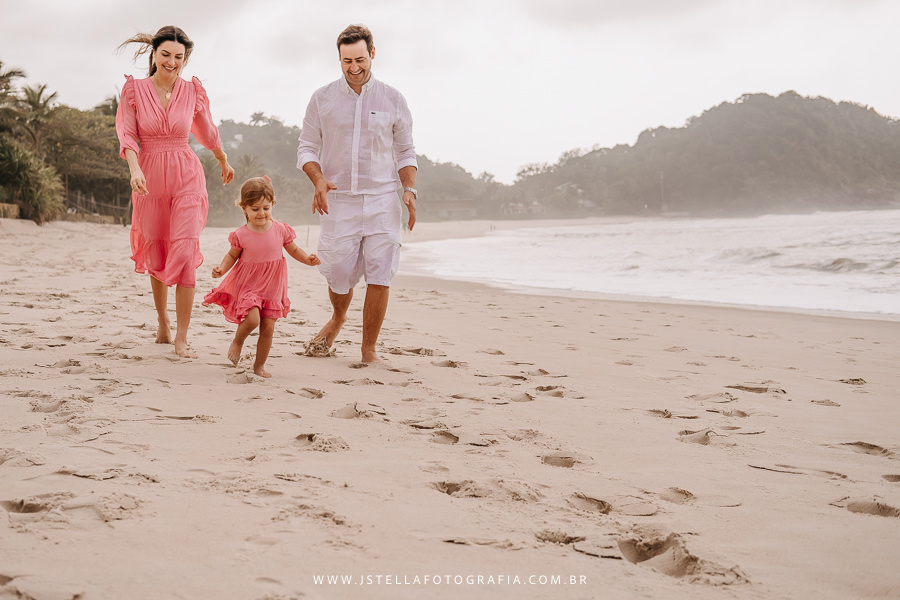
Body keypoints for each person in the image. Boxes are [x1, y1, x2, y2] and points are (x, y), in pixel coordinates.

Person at [297, 24, 418, 363]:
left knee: (380, 273)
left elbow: (405, 151)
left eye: (360, 59)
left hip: (382, 199)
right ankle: (338, 317)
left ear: (372, 54)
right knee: (338, 272)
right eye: (347, 60)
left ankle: (369, 350)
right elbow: (307, 147)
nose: (354, 68)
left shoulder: (393, 99)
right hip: (338, 200)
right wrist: (318, 180)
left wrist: (409, 189)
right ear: (338, 58)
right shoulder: (322, 98)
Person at [116, 25, 235, 359]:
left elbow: (206, 129)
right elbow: (127, 134)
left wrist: (222, 158)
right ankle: (163, 322)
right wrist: (134, 169)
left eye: (178, 57)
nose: (171, 62)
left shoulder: (192, 91)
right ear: (154, 54)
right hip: (150, 177)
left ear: (186, 58)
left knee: (184, 250)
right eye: (165, 54)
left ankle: (182, 337)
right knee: (157, 249)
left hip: (187, 176)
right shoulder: (134, 90)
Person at [203, 176, 321, 378]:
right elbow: (232, 255)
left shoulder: (281, 230)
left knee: (268, 329)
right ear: (244, 208)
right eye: (255, 209)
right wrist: (222, 269)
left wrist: (307, 259)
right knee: (253, 319)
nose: (261, 213)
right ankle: (238, 341)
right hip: (249, 284)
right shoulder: (241, 234)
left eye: (266, 208)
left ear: (273, 204)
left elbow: (293, 250)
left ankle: (259, 366)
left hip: (273, 286)